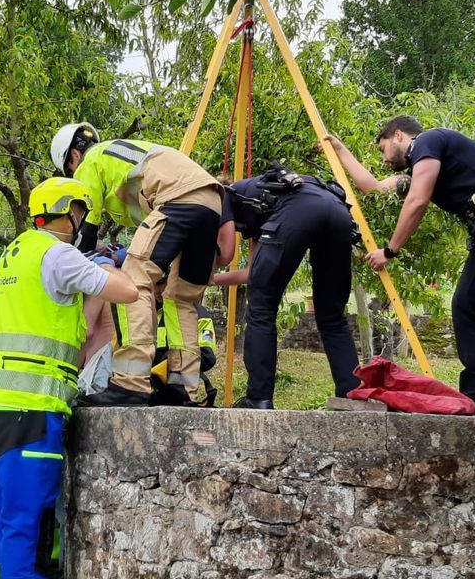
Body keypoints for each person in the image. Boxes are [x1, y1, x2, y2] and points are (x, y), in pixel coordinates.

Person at [0, 177, 137, 579]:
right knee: (29, 524)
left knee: (7, 524)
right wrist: (111, 265)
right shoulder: (59, 254)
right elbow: (124, 292)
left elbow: (73, 327)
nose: (81, 223)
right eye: (79, 214)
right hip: (32, 409)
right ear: (67, 212)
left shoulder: (16, 253)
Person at [326, 116, 475, 418]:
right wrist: (339, 149)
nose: (384, 159)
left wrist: (390, 251)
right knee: (467, 307)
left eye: (383, 149)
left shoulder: (429, 141)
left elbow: (417, 201)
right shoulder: (422, 167)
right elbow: (374, 187)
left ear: (399, 135)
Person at [50, 123, 223, 406]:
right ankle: (182, 389)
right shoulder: (120, 154)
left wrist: (69, 267)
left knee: (131, 282)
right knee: (181, 300)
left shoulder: (89, 161)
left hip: (176, 198)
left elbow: (86, 231)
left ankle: (131, 384)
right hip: (210, 201)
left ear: (72, 157)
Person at [211, 164, 362, 408]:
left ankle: (259, 398)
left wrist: (194, 268)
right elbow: (252, 273)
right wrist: (213, 280)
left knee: (261, 307)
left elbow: (225, 255)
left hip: (298, 211)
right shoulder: (260, 199)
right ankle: (352, 394)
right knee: (332, 316)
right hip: (336, 211)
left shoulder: (221, 196)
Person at [151, 277, 219, 407]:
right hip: (155, 392)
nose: (156, 290)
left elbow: (208, 357)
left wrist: (172, 359)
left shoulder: (199, 314)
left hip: (184, 392)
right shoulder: (154, 315)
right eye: (153, 284)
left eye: (161, 283)